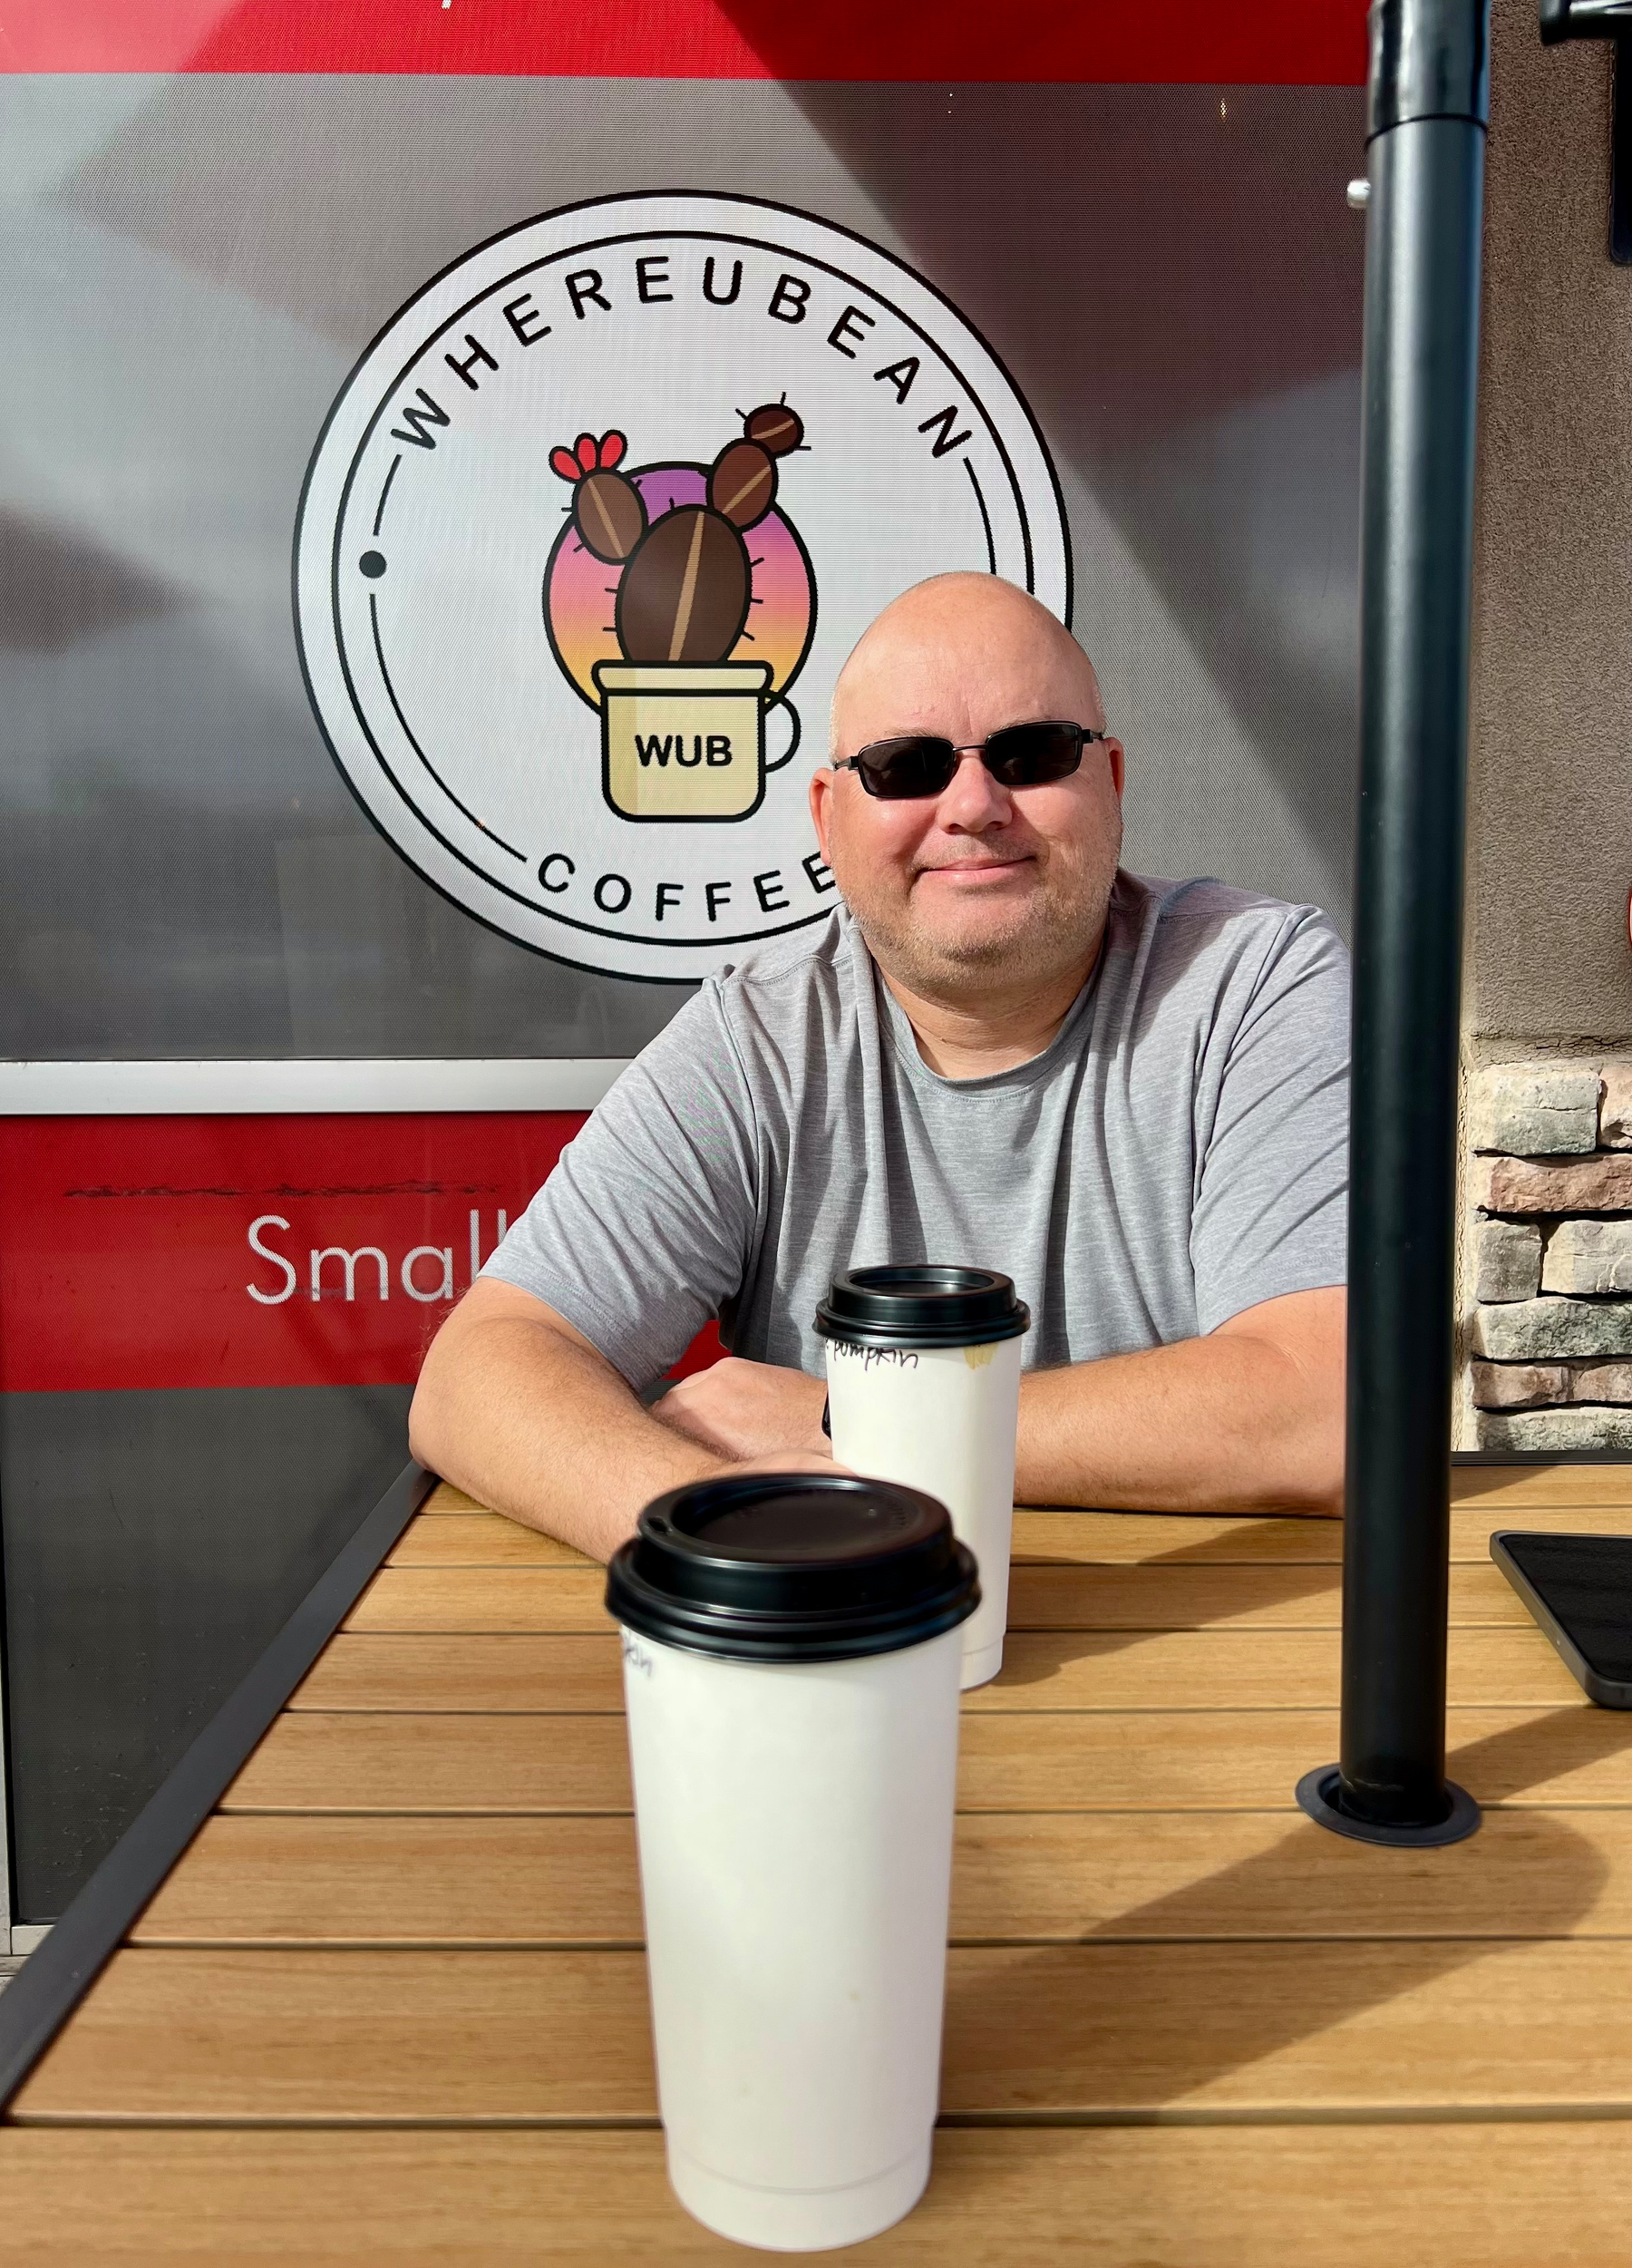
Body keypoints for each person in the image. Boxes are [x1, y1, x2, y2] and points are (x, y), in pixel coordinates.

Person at [410, 574, 1349, 1560]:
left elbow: (1325, 1410)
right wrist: (731, 1548)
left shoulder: (1253, 983)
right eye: (908, 766)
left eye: (1033, 754)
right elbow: (478, 1373)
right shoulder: (757, 1037)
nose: (975, 805)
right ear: (827, 818)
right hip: (843, 1638)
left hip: (1211, 1656)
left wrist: (849, 1425)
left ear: (1110, 782)